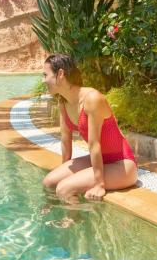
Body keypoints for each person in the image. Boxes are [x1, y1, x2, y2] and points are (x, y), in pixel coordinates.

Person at [41, 53, 137, 202]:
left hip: (122, 164)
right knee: (49, 182)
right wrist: (65, 172)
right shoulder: (63, 102)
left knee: (64, 189)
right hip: (100, 160)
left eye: (45, 75)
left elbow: (94, 145)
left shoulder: (92, 99)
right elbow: (65, 140)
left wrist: (99, 185)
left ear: (60, 74)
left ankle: (76, 216)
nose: (43, 80)